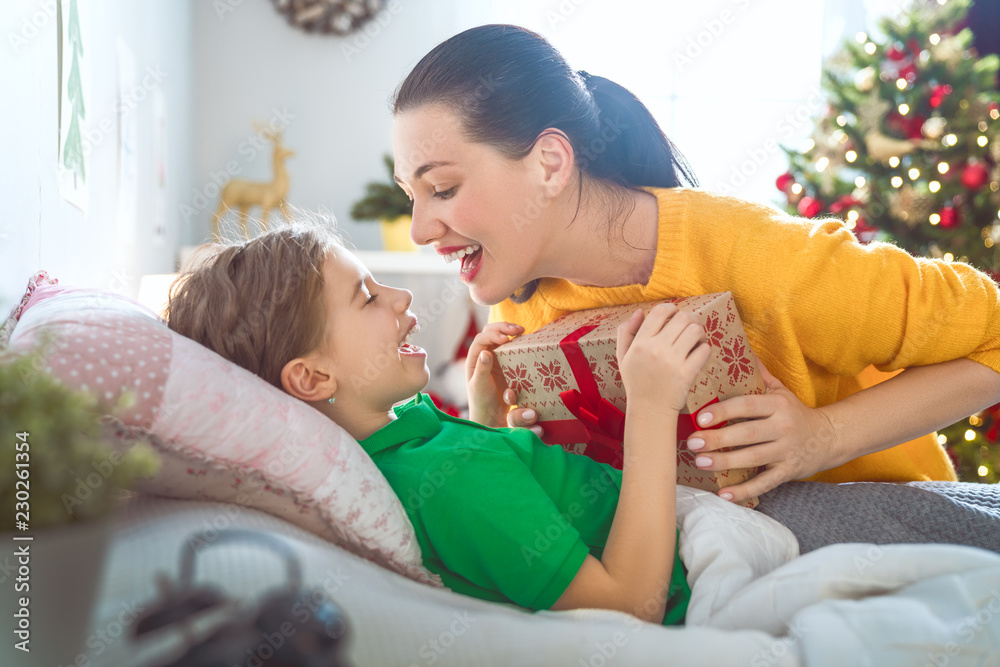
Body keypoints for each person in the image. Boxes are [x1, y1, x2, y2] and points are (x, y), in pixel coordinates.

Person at [390, 24, 1000, 506]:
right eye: (409, 196)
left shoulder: (765, 261)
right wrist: (495, 427)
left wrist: (824, 437)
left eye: (442, 188)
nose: (421, 229)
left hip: (883, 525)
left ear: (550, 163)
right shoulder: (521, 304)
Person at [165, 221, 712, 625]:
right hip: (691, 582)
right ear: (311, 379)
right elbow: (629, 607)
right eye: (367, 297)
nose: (401, 296)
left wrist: (487, 419)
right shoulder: (449, 475)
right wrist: (653, 405)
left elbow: (493, 529)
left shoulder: (398, 450)